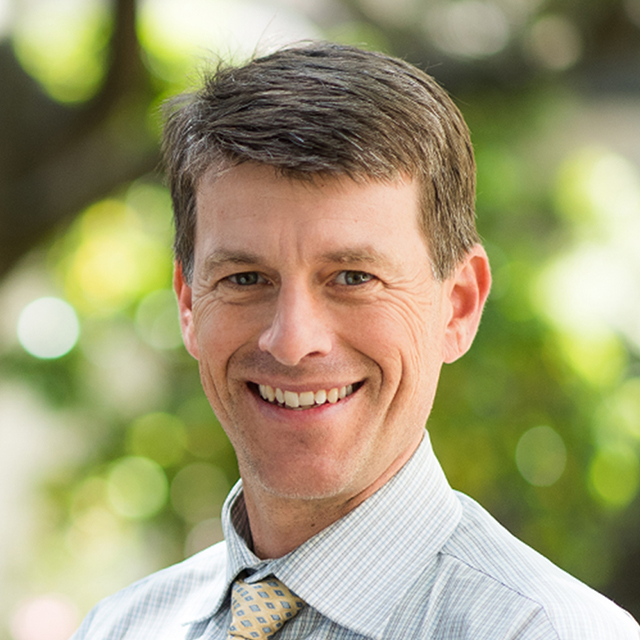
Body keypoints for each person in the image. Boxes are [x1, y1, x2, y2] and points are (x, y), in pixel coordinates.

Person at [71, 42, 640, 640]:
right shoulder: (120, 627)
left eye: (352, 278)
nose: (292, 342)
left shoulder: (547, 631)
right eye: (245, 278)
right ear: (188, 304)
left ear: (458, 305)